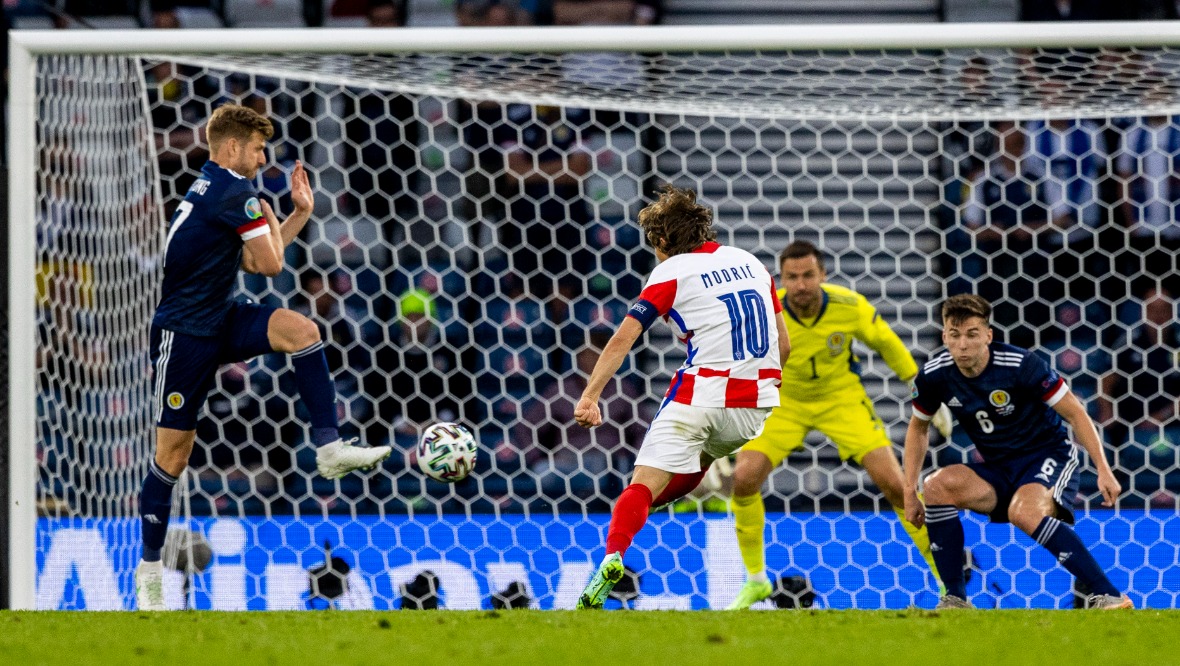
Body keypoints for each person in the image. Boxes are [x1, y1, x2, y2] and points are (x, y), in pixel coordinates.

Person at [135, 104, 391, 610]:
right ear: (232, 146)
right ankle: (148, 572)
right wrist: (274, 214)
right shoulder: (234, 192)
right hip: (183, 335)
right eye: (256, 148)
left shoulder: (217, 188)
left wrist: (296, 215)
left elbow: (253, 261)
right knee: (172, 457)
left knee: (300, 329)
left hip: (221, 316)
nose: (262, 157)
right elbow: (272, 265)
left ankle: (328, 448)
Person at [572, 185, 790, 609]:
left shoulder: (670, 272)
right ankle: (643, 507)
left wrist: (590, 397)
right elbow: (784, 345)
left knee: (640, 486)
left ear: (663, 241)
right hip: (754, 409)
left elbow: (623, 338)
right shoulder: (750, 262)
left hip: (702, 394)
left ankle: (614, 555)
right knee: (701, 458)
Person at [726, 240, 952, 610]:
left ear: (823, 275)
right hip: (785, 403)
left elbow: (888, 344)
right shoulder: (767, 311)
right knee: (744, 477)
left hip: (841, 399)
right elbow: (737, 359)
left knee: (898, 486)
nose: (800, 284)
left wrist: (920, 388)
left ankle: (946, 581)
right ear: (780, 279)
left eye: (808, 275)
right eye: (791, 277)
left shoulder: (849, 306)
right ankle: (755, 580)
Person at [902, 294, 1131, 610]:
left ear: (988, 335)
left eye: (972, 334)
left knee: (1024, 511)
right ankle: (954, 599)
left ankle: (1109, 594)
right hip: (998, 468)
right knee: (937, 486)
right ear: (944, 336)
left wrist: (1103, 469)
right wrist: (908, 490)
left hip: (1048, 456)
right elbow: (918, 428)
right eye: (954, 335)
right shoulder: (934, 374)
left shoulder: (1020, 364)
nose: (963, 345)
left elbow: (1075, 412)